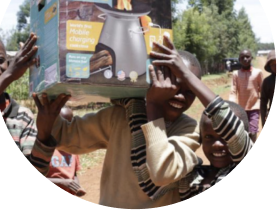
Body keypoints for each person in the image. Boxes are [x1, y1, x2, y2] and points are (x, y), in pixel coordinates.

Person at [45, 40, 202, 208]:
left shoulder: (188, 129)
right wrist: (48, 91)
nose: (181, 96)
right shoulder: (122, 115)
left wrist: (154, 105)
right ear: (158, 77)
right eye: (175, 85)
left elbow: (162, 173)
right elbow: (63, 136)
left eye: (190, 91)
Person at [145, 36, 253, 200]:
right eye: (209, 137)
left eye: (226, 138)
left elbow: (227, 122)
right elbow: (152, 182)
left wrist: (187, 76)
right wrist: (149, 103)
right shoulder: (191, 177)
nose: (217, 144)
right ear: (201, 139)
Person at [0, 34, 70, 176]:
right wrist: (8, 76)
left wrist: (43, 134)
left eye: (0, 60)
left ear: (8, 64)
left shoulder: (22, 117)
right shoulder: (8, 74)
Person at [46, 107, 86, 197]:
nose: (66, 128)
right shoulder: (43, 148)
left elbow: (74, 174)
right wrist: (62, 182)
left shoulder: (73, 148)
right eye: (62, 124)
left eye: (69, 123)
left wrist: (77, 186)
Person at [229, 49, 263, 142]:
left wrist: (264, 105)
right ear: (239, 60)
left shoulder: (258, 73)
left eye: (247, 56)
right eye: (242, 57)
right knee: (243, 131)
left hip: (254, 107)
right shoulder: (236, 74)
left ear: (251, 58)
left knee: (253, 131)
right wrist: (231, 106)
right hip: (241, 109)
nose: (245, 59)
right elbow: (233, 91)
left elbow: (262, 90)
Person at [260, 50, 276, 127]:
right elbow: (263, 102)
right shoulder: (267, 81)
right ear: (269, 66)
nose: (275, 66)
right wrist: (263, 121)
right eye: (273, 64)